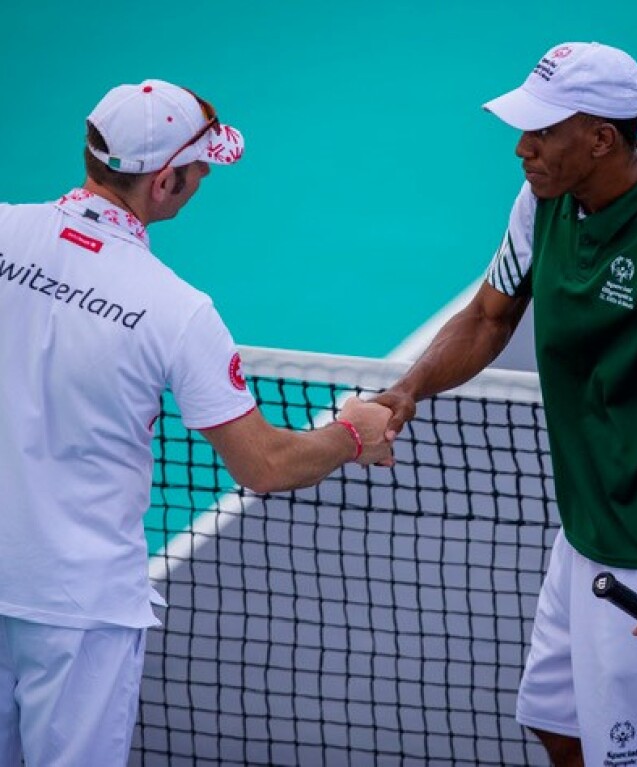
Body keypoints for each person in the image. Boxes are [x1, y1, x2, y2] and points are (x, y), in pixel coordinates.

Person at [376, 42, 637, 765]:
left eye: (544, 132)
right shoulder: (543, 202)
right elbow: (489, 316)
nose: (523, 148)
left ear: (600, 139)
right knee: (553, 719)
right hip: (585, 530)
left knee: (632, 757)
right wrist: (408, 387)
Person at [0, 79, 393, 766]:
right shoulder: (176, 311)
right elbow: (263, 464)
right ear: (164, 181)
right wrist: (352, 433)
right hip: (80, 610)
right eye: (200, 166)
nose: (205, 176)